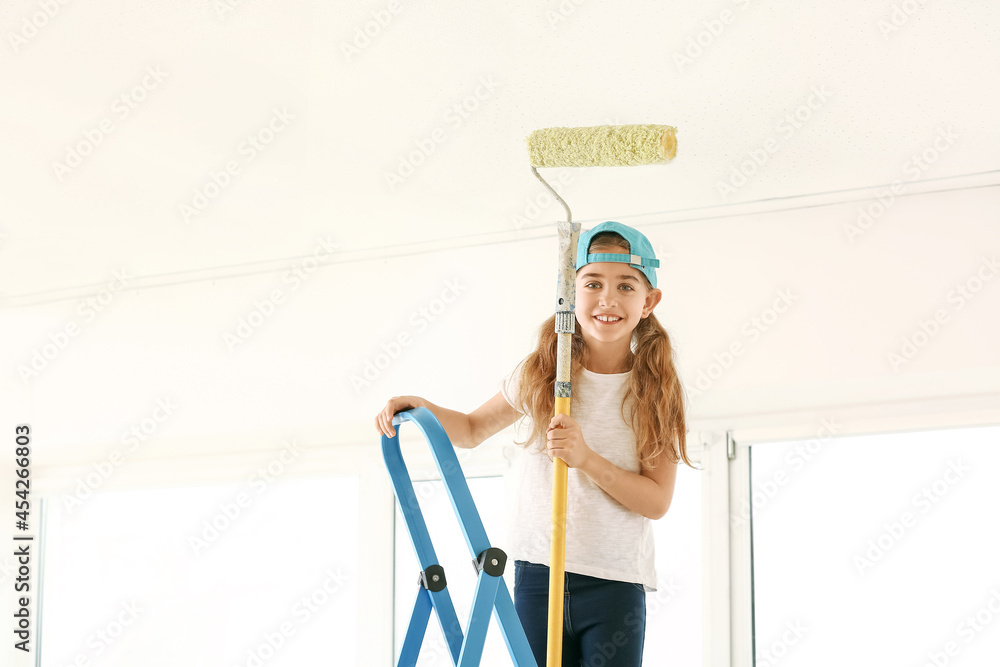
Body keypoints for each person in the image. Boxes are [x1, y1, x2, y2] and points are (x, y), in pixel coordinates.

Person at [375, 220, 692, 666]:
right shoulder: (544, 371)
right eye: (592, 283)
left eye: (625, 286)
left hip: (614, 582)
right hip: (537, 575)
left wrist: (585, 459)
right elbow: (470, 429)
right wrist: (424, 407)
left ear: (649, 302)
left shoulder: (655, 388)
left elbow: (656, 500)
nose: (608, 298)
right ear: (571, 294)